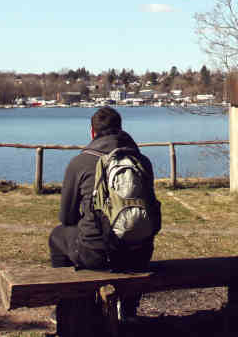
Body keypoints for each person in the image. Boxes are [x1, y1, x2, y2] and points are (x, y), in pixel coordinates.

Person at [49, 106, 161, 319]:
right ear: (121, 129)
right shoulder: (141, 161)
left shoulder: (79, 163)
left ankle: (67, 307)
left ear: (92, 133)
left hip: (96, 255)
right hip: (139, 253)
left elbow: (66, 218)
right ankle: (128, 310)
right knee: (134, 240)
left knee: (57, 236)